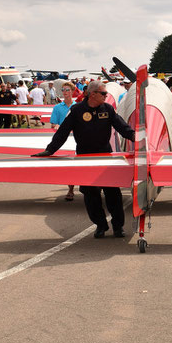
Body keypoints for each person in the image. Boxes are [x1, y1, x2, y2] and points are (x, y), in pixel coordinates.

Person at [32, 81, 135, 238]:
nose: (106, 96)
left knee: (113, 194)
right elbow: (63, 132)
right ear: (92, 94)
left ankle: (118, 227)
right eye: (103, 94)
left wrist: (138, 138)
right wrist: (49, 150)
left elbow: (123, 128)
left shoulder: (107, 109)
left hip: (105, 158)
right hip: (85, 159)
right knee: (90, 195)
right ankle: (101, 225)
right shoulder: (77, 110)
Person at [49, 82, 78, 201]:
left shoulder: (78, 106)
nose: (65, 92)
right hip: (63, 139)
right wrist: (55, 126)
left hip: (76, 138)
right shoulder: (57, 107)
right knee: (69, 165)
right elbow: (53, 123)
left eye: (67, 90)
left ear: (72, 91)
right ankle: (71, 189)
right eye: (63, 90)